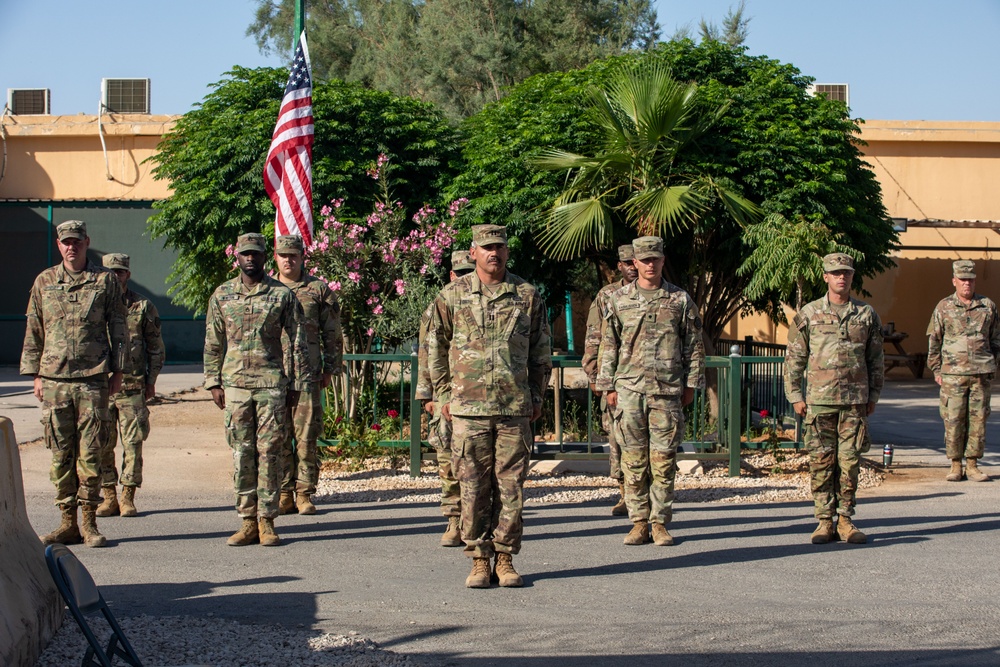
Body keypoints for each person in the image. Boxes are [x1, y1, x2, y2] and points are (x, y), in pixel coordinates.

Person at [427, 224, 552, 588]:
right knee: (472, 487)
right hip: (468, 410)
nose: (493, 253)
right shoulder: (451, 295)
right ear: (473, 253)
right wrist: (442, 395)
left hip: (514, 408)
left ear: (507, 252)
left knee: (511, 487)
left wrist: (537, 395)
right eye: (486, 247)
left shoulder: (527, 295)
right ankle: (479, 559)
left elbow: (541, 353)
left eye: (498, 247)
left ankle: (505, 558)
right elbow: (435, 347)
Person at [20, 220, 127, 548]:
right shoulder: (45, 281)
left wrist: (119, 372)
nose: (71, 247)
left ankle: (89, 523)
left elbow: (119, 326)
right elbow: (34, 328)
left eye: (77, 241)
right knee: (60, 453)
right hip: (54, 381)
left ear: (86, 242)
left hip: (93, 380)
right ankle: (67, 522)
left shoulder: (104, 280)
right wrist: (35, 374)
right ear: (59, 244)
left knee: (91, 453)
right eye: (66, 242)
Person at [595, 236, 705, 547]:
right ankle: (639, 521)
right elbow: (609, 345)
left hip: (666, 391)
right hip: (628, 390)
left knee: (664, 459)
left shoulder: (679, 300)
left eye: (655, 258)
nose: (649, 264)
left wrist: (691, 384)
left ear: (662, 260)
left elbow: (693, 347)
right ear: (635, 263)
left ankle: (659, 522)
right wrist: (608, 387)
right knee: (632, 459)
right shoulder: (618, 300)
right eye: (644, 259)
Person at [204, 233, 310, 547]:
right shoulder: (222, 294)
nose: (251, 259)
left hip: (271, 386)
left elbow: (297, 341)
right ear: (236, 257)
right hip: (235, 386)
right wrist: (213, 381)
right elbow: (213, 341)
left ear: (265, 257)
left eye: (256, 254)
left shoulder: (281, 295)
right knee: (241, 454)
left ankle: (267, 521)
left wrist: (296, 382)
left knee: (271, 454)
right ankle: (247, 521)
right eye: (245, 254)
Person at [784, 252, 884, 545]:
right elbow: (794, 358)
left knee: (850, 462)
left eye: (847, 273)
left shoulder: (866, 314)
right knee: (821, 462)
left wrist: (874, 394)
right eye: (836, 273)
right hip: (819, 401)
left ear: (852, 277)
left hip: (854, 402)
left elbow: (875, 358)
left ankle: (846, 520)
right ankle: (823, 521)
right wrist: (795, 396)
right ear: (825, 276)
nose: (842, 277)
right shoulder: (809, 313)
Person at [274, 235, 343, 515]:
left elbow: (333, 333)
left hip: (307, 374)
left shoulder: (318, 290)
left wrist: (330, 368)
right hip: (274, 376)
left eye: (293, 255)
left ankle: (304, 493)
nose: (288, 260)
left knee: (306, 437)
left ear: (303, 257)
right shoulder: (266, 290)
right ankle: (283, 492)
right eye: (283, 255)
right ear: (275, 258)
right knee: (277, 436)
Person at [96, 253, 165, 518]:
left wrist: (151, 380)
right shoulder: (96, 305)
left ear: (128, 274)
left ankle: (128, 496)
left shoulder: (143, 306)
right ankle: (109, 495)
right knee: (101, 443)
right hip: (100, 387)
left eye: (120, 272)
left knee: (133, 444)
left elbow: (156, 347)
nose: (115, 277)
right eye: (111, 272)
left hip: (133, 387)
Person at [417, 248, 476, 546]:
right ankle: (453, 518)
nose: (466, 279)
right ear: (452, 274)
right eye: (461, 274)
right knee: (447, 460)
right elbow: (427, 353)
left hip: (477, 396)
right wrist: (427, 394)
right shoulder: (438, 306)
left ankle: (474, 521)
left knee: (476, 462)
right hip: (446, 395)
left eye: (470, 273)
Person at [926, 260, 1000, 482]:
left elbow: (996, 339)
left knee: (978, 420)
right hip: (952, 375)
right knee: (953, 419)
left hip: (980, 374)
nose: (966, 283)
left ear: (975, 280)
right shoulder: (943, 307)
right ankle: (956, 464)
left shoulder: (988, 306)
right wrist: (936, 369)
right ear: (954, 281)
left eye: (970, 279)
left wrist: (990, 365)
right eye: (962, 279)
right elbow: (934, 340)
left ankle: (973, 464)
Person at [582, 244, 638, 516]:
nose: (632, 267)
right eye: (627, 262)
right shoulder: (607, 295)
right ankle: (625, 492)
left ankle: (647, 494)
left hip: (645, 380)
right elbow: (594, 335)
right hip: (614, 379)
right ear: (620, 265)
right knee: (617, 438)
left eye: (634, 262)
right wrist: (594, 373)